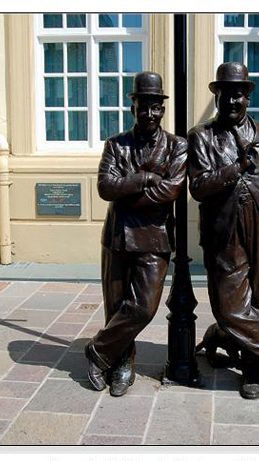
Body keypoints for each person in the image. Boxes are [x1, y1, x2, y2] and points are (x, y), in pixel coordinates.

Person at [188, 62, 259, 399]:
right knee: (230, 308)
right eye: (226, 95)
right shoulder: (202, 137)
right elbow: (199, 186)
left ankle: (255, 370)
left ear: (248, 98)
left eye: (239, 95)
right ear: (217, 97)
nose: (232, 101)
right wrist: (237, 166)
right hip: (225, 233)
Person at [85, 71, 187, 397]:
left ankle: (98, 350)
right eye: (144, 106)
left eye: (156, 107)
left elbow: (171, 190)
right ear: (134, 107)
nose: (150, 114)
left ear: (163, 109)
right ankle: (122, 364)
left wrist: (127, 192)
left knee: (143, 307)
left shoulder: (177, 147)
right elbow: (105, 187)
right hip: (117, 236)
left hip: (154, 239)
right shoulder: (116, 145)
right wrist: (144, 178)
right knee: (116, 306)